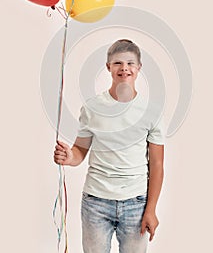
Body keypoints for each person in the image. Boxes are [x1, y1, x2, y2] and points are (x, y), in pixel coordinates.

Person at [54, 39, 165, 253]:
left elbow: (157, 165)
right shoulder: (92, 108)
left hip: (136, 204)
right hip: (96, 202)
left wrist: (150, 209)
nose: (124, 68)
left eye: (130, 63)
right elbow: (80, 151)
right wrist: (69, 157)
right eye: (117, 63)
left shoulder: (151, 112)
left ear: (139, 68)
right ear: (108, 67)